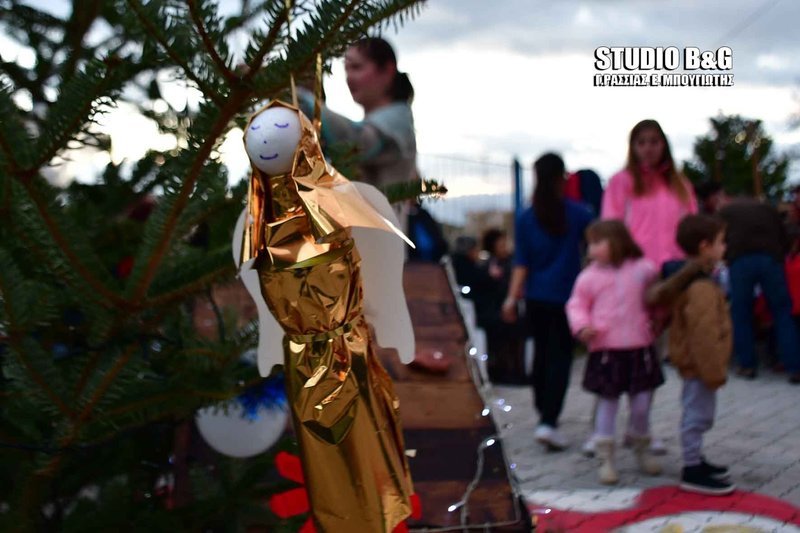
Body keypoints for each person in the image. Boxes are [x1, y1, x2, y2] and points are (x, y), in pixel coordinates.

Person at [592, 119, 698, 456]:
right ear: (633, 147)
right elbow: (610, 229)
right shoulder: (621, 182)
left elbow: (692, 227)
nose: (648, 148)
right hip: (630, 276)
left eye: (654, 141)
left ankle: (640, 428)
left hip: (670, 277)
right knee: (614, 351)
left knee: (651, 356)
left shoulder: (679, 184)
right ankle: (601, 429)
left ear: (663, 144)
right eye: (642, 142)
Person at [502, 153, 593, 450]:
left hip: (536, 298)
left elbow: (521, 264)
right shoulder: (578, 213)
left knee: (541, 355)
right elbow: (594, 248)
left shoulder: (526, 217)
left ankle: (544, 412)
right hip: (567, 297)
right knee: (560, 359)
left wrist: (511, 298)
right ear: (561, 177)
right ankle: (549, 420)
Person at [566, 220, 664, 484]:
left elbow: (656, 296)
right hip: (607, 350)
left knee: (642, 404)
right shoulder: (588, 277)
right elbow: (576, 304)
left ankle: (641, 447)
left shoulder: (644, 269)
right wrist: (582, 326)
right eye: (590, 243)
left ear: (617, 241)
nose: (591, 249)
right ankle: (605, 457)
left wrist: (659, 317)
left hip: (640, 348)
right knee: (607, 404)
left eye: (597, 242)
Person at [651, 214, 734, 495]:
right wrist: (713, 370)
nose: (724, 247)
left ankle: (696, 458)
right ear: (704, 246)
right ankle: (691, 468)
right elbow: (703, 333)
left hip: (700, 365)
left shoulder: (702, 281)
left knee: (701, 414)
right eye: (721, 242)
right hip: (700, 365)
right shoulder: (701, 288)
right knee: (697, 416)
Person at [298, 36, 416, 189]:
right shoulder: (383, 120)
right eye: (346, 70)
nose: (349, 78)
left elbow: (358, 142)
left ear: (387, 70)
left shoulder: (397, 119)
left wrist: (305, 99)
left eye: (356, 67)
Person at [709, 189, 800, 384]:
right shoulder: (766, 208)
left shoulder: (725, 212)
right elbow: (783, 235)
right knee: (782, 312)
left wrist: (725, 258)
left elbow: (716, 238)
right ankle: (794, 367)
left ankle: (747, 365)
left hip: (740, 261)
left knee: (741, 313)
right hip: (770, 260)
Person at [481, 228, 526, 384]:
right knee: (500, 339)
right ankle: (501, 371)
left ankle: (516, 371)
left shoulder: (512, 262)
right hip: (494, 309)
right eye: (501, 244)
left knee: (517, 337)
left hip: (511, 306)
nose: (505, 247)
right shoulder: (487, 263)